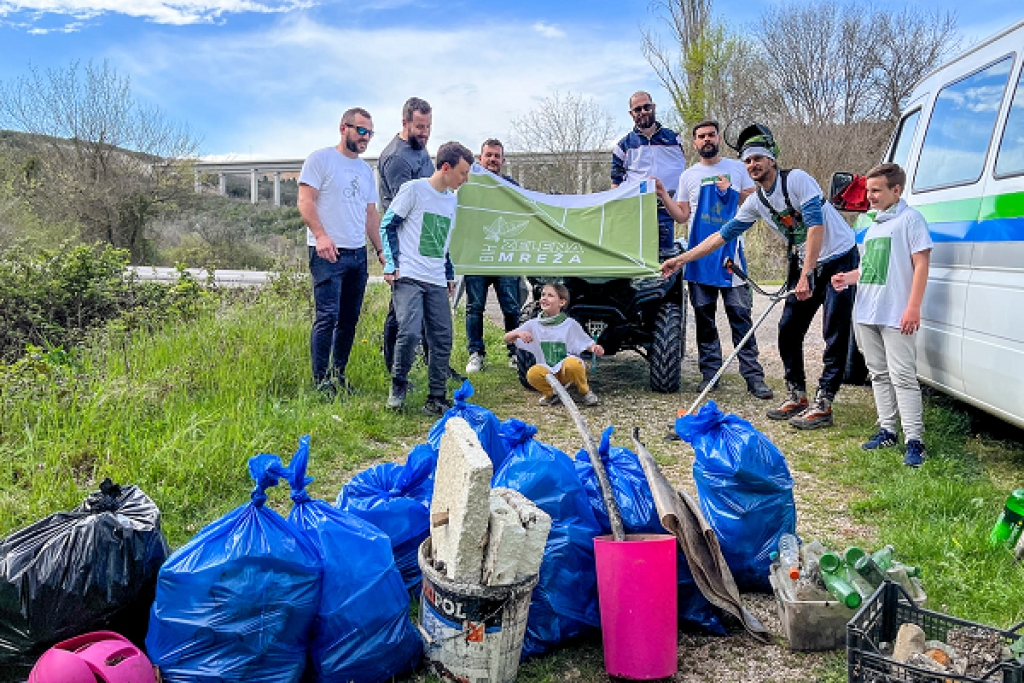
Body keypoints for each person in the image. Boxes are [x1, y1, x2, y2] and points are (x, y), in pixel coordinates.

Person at [661, 125, 858, 429]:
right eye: (748, 161)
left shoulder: (797, 180)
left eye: (758, 159)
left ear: (772, 160)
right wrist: (680, 259)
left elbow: (815, 227)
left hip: (839, 259)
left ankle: (824, 403)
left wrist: (806, 274)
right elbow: (719, 238)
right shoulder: (756, 202)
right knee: (788, 329)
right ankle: (796, 394)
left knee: (834, 331)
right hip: (806, 261)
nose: (753, 165)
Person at [657, 120, 773, 399]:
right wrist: (663, 195)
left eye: (711, 135)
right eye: (701, 136)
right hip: (699, 257)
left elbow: (755, 198)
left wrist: (731, 189)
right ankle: (711, 375)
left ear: (719, 138)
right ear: (695, 142)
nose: (706, 140)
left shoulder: (738, 167)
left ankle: (754, 378)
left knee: (740, 317)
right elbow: (683, 215)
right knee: (705, 320)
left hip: (731, 255)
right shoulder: (689, 176)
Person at [831, 163, 931, 467]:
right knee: (878, 373)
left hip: (896, 312)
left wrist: (913, 306)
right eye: (868, 190)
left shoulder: (910, 220)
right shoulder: (874, 225)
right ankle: (887, 429)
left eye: (876, 190)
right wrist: (848, 278)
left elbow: (922, 264)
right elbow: (871, 268)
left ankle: (915, 440)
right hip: (867, 311)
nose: (870, 196)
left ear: (896, 191)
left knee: (903, 375)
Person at [298, 106, 385, 397]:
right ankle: (321, 380)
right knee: (327, 316)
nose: (365, 137)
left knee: (349, 318)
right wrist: (321, 236)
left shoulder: (364, 170)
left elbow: (370, 214)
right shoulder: (320, 160)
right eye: (361, 130)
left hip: (357, 254)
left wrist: (381, 251)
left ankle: (339, 374)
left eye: (370, 133)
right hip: (327, 253)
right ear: (343, 128)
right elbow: (305, 201)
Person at [381, 141, 474, 415]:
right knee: (409, 332)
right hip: (408, 275)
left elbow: (442, 241)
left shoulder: (451, 200)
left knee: (442, 337)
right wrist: (391, 264)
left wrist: (448, 274)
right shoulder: (414, 190)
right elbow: (388, 224)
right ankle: (398, 386)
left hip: (435, 279)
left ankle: (436, 397)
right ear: (446, 168)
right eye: (462, 173)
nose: (465, 179)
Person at [464, 138, 523, 374]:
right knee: (474, 307)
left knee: (511, 306)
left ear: (503, 160)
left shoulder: (512, 187)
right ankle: (475, 353)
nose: (492, 159)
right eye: (488, 155)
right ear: (480, 158)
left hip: (504, 257)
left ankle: (515, 352)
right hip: (476, 257)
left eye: (497, 156)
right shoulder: (468, 185)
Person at [611, 91, 688, 259]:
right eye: (638, 109)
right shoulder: (623, 145)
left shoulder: (674, 139)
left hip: (667, 208)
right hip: (636, 211)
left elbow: (683, 170)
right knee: (638, 257)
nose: (643, 112)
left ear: (653, 107)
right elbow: (615, 183)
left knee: (666, 259)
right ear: (632, 114)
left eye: (646, 107)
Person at [505, 283, 604, 407]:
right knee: (532, 374)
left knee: (573, 364)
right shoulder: (533, 324)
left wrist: (594, 348)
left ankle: (585, 392)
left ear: (562, 302)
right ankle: (551, 394)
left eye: (550, 295)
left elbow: (585, 341)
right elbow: (507, 338)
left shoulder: (570, 324)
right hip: (547, 370)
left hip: (566, 370)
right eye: (543, 295)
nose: (544, 298)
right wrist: (518, 334)